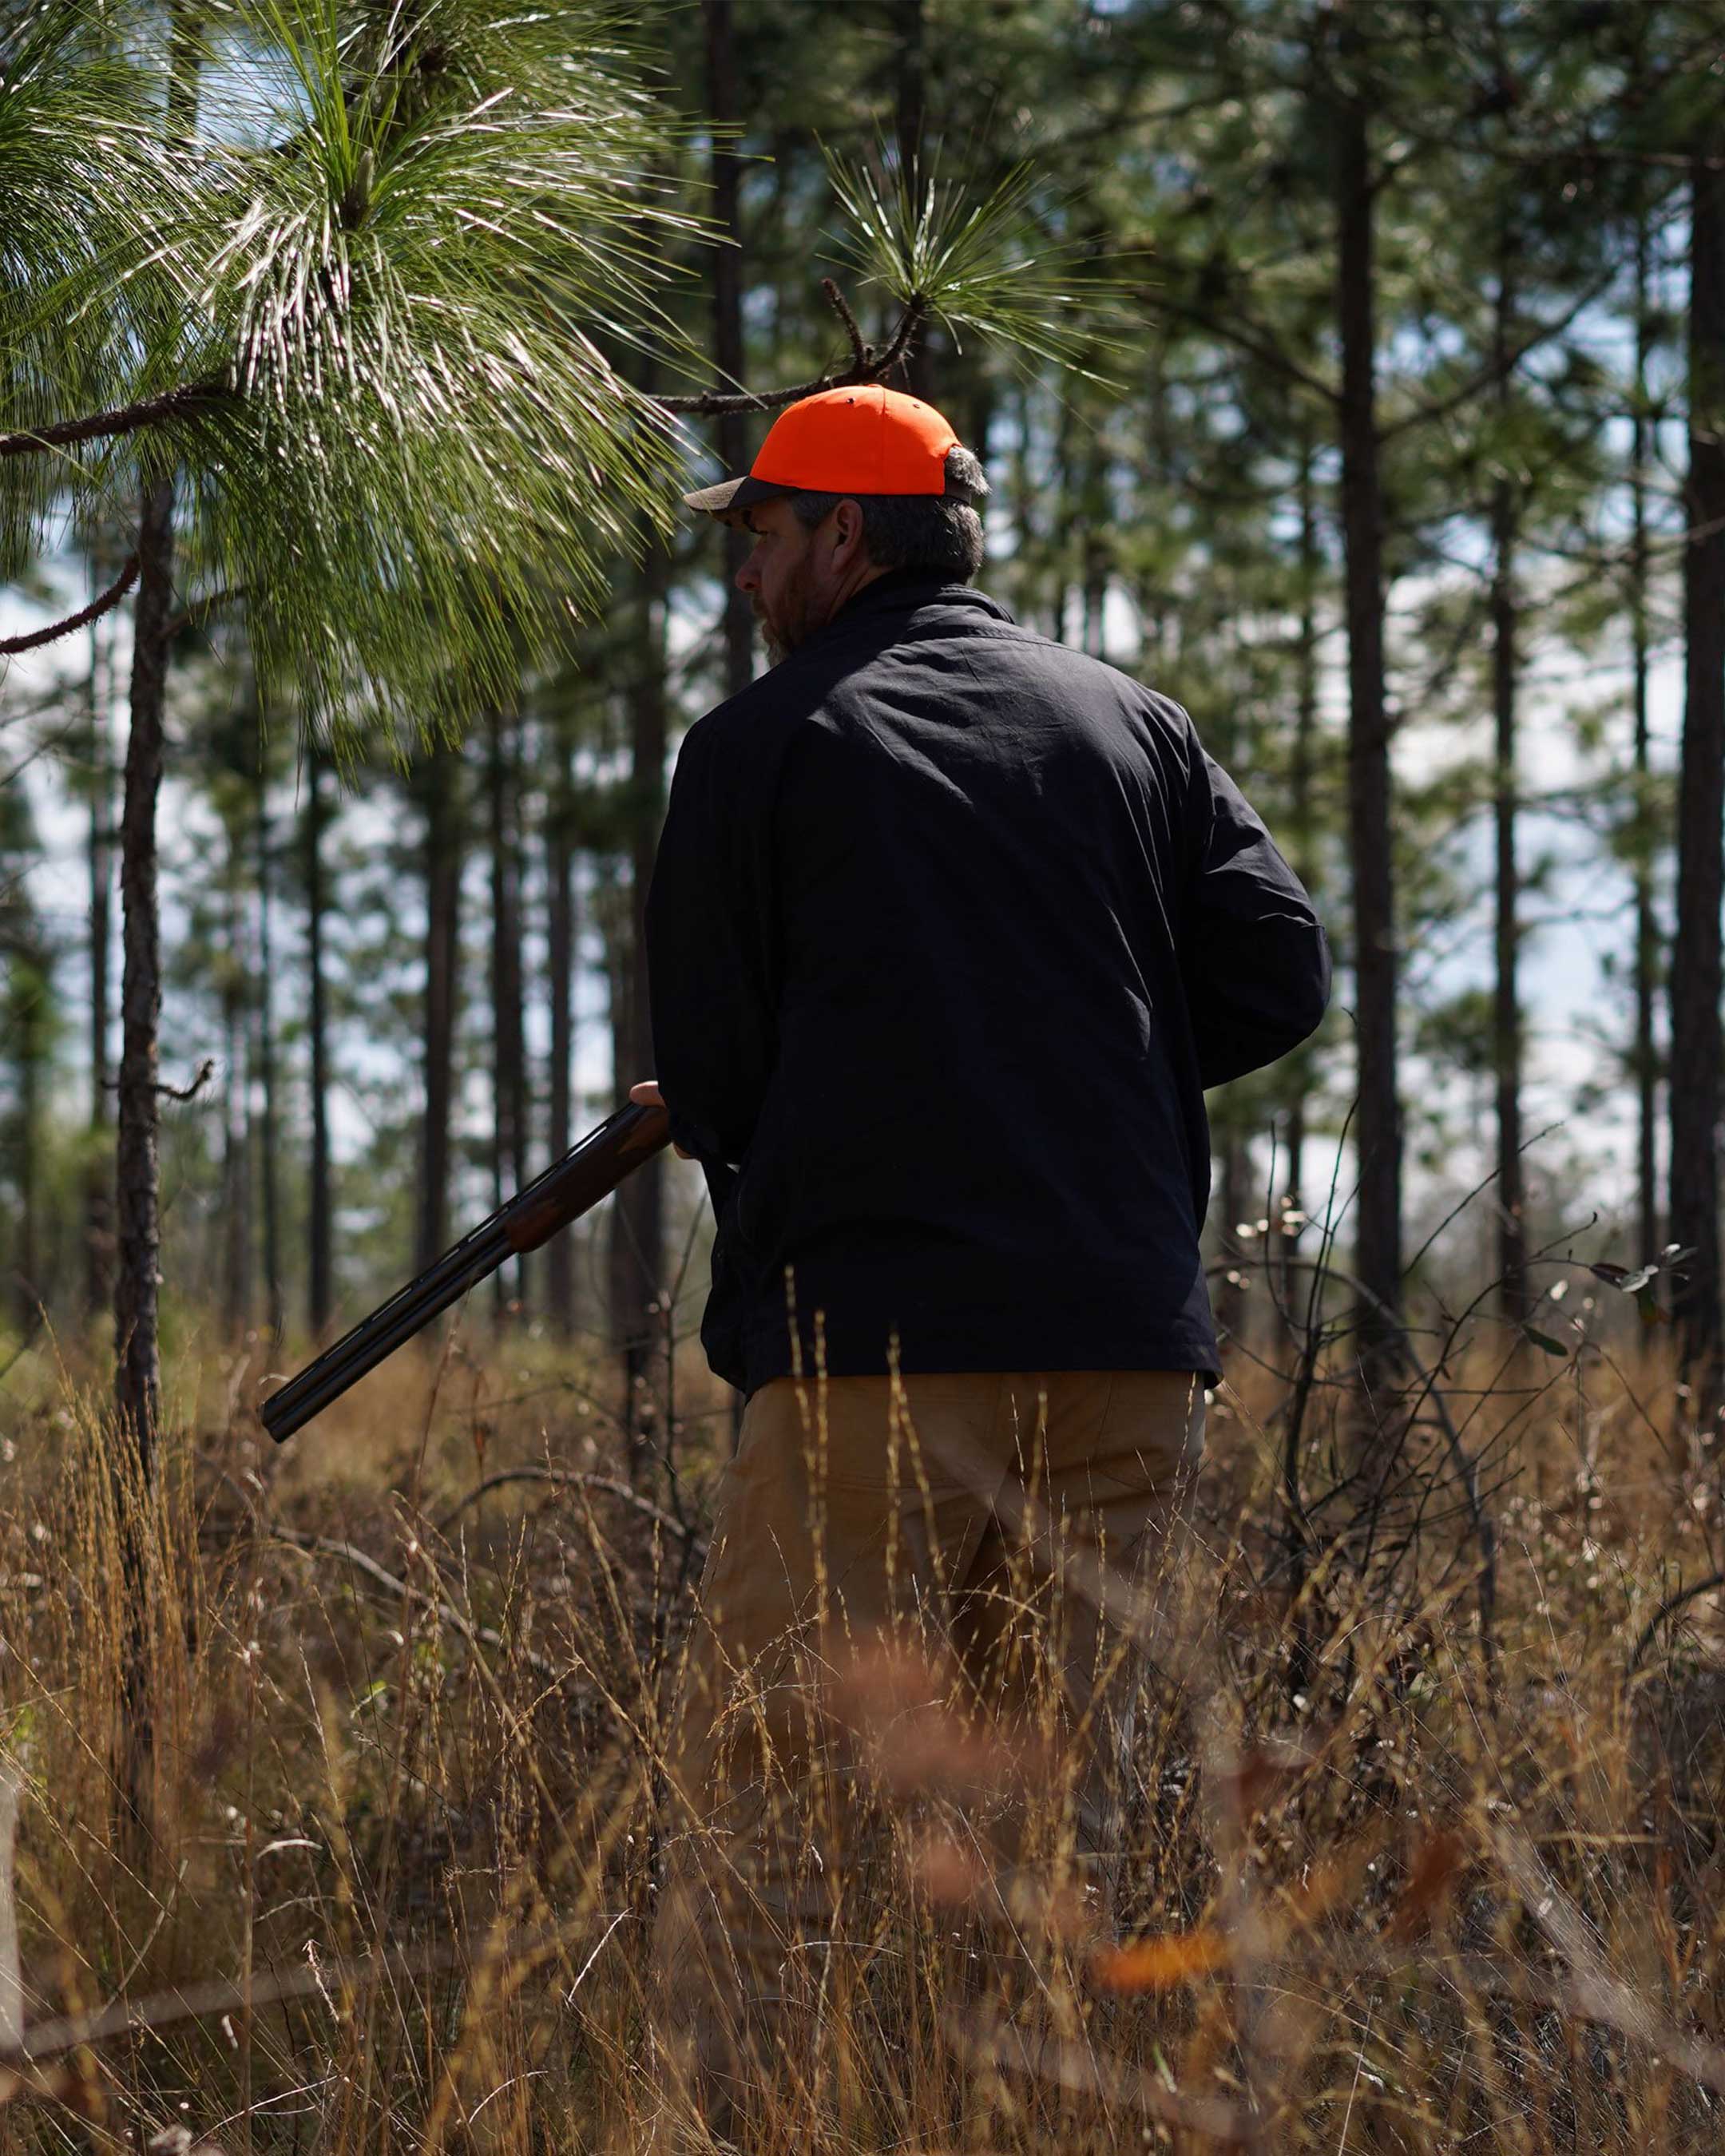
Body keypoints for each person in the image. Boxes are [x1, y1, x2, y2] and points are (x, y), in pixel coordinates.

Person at [632, 382, 1329, 2129]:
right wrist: (1068, 1075)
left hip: (876, 1350)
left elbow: (715, 1077)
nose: (746, 578)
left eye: (765, 535)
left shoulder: (759, 744)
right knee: (1042, 1823)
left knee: (781, 1807)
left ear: (845, 536)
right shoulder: (1135, 725)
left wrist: (858, 1096)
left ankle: (757, 2124)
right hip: (1123, 1354)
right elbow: (1278, 973)